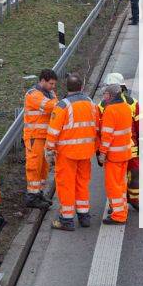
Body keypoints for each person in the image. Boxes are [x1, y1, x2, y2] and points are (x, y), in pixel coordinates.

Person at [45, 73, 97, 231]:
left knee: (66, 185)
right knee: (82, 183)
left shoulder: (62, 106)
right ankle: (84, 216)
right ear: (81, 87)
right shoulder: (90, 103)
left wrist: (49, 150)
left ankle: (66, 220)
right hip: (86, 152)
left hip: (67, 153)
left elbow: (53, 131)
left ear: (66, 88)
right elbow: (97, 125)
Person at [98, 72, 141, 210]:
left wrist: (100, 152)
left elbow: (101, 131)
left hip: (116, 151)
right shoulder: (131, 103)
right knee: (126, 178)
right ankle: (125, 202)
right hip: (127, 149)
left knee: (120, 179)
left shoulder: (103, 106)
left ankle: (122, 203)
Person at [97, 82, 133, 225]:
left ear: (110, 95)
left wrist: (102, 154)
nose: (103, 97)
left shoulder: (110, 110)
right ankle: (122, 209)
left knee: (113, 186)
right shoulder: (125, 107)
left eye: (105, 94)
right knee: (121, 184)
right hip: (125, 153)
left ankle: (118, 215)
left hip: (114, 156)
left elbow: (107, 136)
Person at [23, 69, 58, 208]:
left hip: (45, 137)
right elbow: (52, 106)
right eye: (51, 83)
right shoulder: (33, 94)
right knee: (34, 166)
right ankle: (31, 196)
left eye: (54, 84)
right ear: (42, 80)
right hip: (34, 136)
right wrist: (56, 101)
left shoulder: (49, 92)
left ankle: (39, 193)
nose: (53, 87)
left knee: (44, 166)